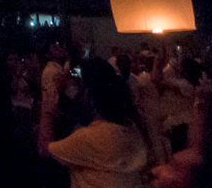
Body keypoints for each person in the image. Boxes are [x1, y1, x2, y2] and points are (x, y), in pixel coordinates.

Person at [39, 57, 147, 188]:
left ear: (88, 94)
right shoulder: (130, 126)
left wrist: (47, 111)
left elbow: (44, 150)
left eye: (78, 82)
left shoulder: (89, 137)